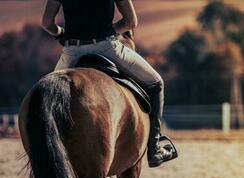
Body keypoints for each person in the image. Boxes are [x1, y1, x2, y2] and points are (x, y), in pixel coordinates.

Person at [41, 0, 176, 167]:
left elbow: (47, 23)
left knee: (47, 96)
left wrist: (61, 33)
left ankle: (44, 153)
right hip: (107, 48)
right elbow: (130, 22)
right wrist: (107, 31)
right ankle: (154, 149)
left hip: (72, 52)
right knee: (156, 83)